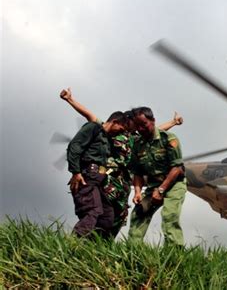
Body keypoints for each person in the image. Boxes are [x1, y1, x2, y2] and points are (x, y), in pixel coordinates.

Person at [60, 88, 183, 236]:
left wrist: (173, 122)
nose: (133, 126)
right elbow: (90, 115)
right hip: (108, 179)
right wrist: (70, 100)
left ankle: (103, 246)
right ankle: (82, 239)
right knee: (95, 211)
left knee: (116, 216)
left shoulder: (135, 139)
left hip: (124, 184)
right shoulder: (110, 132)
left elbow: (155, 131)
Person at [128, 106, 187, 247]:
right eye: (137, 127)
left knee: (169, 216)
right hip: (153, 186)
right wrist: (137, 192)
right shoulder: (137, 144)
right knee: (139, 214)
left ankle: (175, 254)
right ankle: (131, 252)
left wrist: (161, 190)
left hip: (173, 184)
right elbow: (137, 172)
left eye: (144, 125)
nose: (141, 129)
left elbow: (177, 168)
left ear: (153, 121)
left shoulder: (168, 138)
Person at [67, 111, 127, 238]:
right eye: (121, 129)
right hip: (86, 177)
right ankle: (72, 243)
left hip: (98, 182)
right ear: (115, 122)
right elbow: (74, 146)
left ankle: (93, 248)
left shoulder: (108, 140)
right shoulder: (93, 128)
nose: (121, 132)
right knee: (92, 210)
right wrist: (76, 172)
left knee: (107, 215)